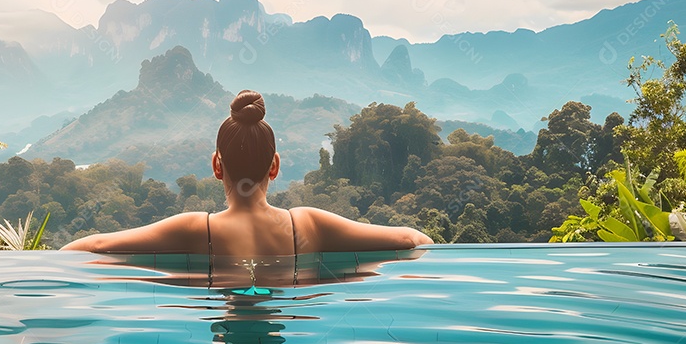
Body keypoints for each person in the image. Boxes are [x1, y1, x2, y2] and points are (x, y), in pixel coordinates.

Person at [61, 90, 433, 256]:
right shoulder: (309, 225)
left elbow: (85, 248)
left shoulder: (195, 230)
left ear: (216, 165)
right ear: (275, 166)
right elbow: (414, 240)